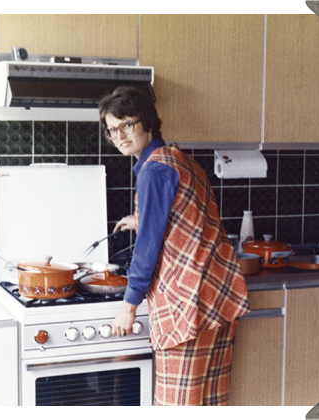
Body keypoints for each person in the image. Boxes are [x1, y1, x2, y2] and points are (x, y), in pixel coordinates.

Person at [98, 86, 251, 406]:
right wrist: (141, 219)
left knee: (177, 407)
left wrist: (129, 306)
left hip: (186, 305)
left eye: (127, 124)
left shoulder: (153, 171)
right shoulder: (181, 160)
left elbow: (147, 248)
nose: (120, 135)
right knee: (210, 404)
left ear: (148, 122)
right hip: (218, 298)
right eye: (113, 130)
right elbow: (189, 216)